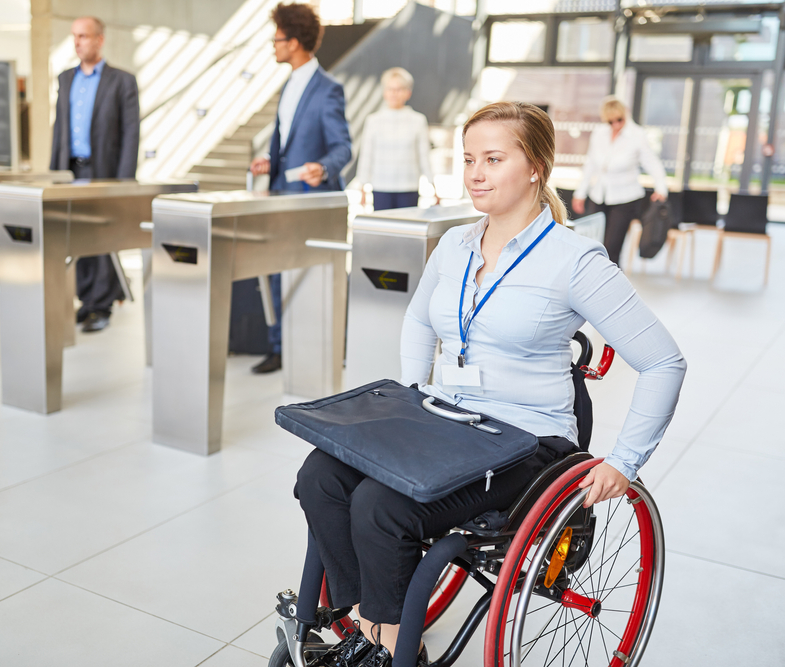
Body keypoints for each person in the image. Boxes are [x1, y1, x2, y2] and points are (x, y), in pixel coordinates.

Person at [294, 102, 686, 666]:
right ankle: (370, 625)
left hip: (525, 441)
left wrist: (624, 462)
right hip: (445, 420)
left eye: (493, 159)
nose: (475, 173)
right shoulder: (455, 243)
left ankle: (388, 645)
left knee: (381, 506)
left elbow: (664, 362)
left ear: (535, 168)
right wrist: (410, 396)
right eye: (469, 159)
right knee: (321, 476)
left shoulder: (574, 260)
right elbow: (420, 318)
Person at [249, 2, 352, 374]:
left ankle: (317, 346)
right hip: (281, 196)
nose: (273, 46)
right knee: (276, 271)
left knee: (314, 276)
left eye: (277, 39)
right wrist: (268, 161)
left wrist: (322, 167)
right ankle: (278, 347)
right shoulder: (288, 85)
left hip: (311, 201)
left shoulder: (328, 90)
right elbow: (285, 142)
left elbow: (343, 148)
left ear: (293, 42)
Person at [50, 16, 140, 333]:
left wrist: (125, 180)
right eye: (75, 36)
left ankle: (101, 305)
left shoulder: (122, 81)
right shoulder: (65, 79)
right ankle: (87, 300)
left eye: (84, 36)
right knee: (79, 236)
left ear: (100, 40)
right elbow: (59, 129)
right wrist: (54, 172)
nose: (78, 42)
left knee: (103, 237)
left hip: (105, 170)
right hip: (70, 170)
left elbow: (131, 133)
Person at [572, 95, 668, 267]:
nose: (615, 124)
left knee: (611, 248)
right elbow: (590, 164)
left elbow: (652, 163)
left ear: (626, 114)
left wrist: (661, 188)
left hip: (626, 198)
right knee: (594, 245)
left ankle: (612, 289)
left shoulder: (637, 135)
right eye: (610, 121)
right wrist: (580, 193)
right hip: (599, 195)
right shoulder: (599, 133)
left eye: (619, 120)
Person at [355, 68, 434, 211]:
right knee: (383, 230)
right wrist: (362, 186)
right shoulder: (373, 120)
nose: (394, 93)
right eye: (390, 89)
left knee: (406, 229)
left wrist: (433, 185)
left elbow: (424, 155)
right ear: (384, 92)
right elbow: (367, 155)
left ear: (408, 92)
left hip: (409, 187)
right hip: (381, 187)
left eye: (399, 89)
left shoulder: (418, 120)